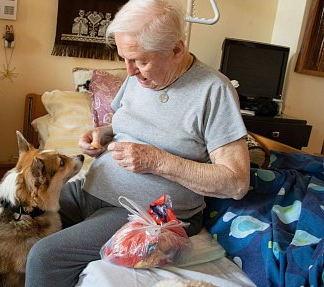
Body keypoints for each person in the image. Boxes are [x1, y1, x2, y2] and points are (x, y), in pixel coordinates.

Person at [25, 0, 250, 286]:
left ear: (177, 50)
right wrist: (102, 134)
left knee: (45, 257)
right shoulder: (140, 76)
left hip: (146, 212)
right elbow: (125, 125)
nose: (129, 71)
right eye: (125, 58)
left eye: (140, 60)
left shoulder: (214, 90)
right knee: (15, 217)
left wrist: (156, 161)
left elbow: (236, 182)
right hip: (91, 190)